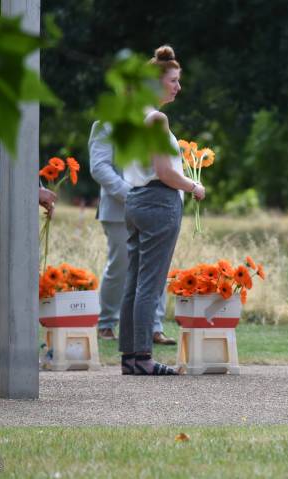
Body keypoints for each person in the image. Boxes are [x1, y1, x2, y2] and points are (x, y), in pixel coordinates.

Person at [118, 45, 205, 375]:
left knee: (133, 283)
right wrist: (194, 187)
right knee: (149, 285)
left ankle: (130, 357)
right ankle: (143, 357)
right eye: (173, 80)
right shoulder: (156, 119)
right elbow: (166, 173)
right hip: (158, 202)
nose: (178, 87)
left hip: (136, 201)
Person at [88, 121, 177, 345]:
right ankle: (107, 323)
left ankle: (154, 327)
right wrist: (133, 194)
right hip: (118, 208)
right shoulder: (104, 125)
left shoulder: (154, 120)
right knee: (120, 266)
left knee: (156, 266)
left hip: (154, 206)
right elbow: (99, 167)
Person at [0, 126, 57, 370]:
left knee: (17, 271)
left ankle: (10, 345)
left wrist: (36, 189)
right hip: (5, 192)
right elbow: (9, 154)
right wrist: (35, 189)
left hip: (16, 191)